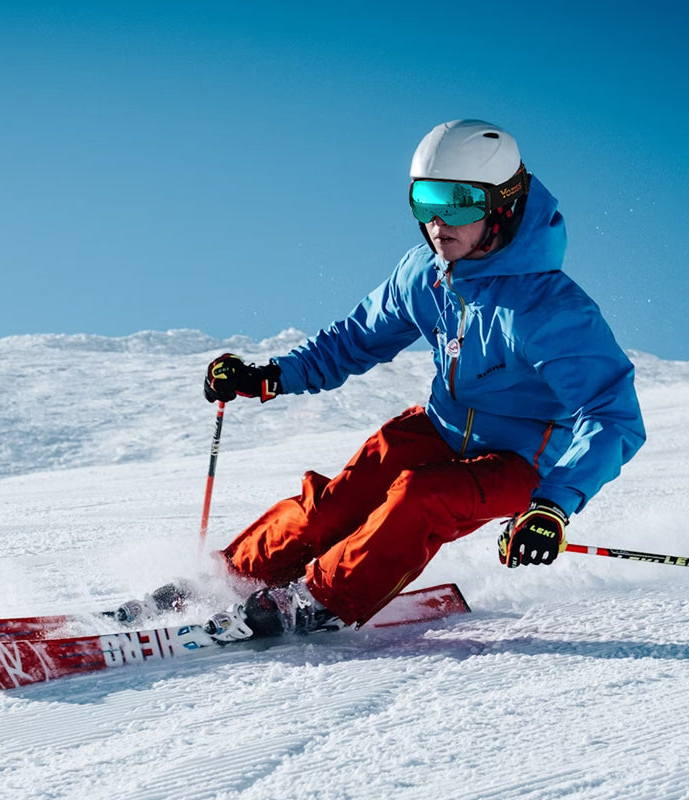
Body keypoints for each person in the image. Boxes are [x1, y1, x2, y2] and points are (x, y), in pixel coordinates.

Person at [201, 119, 646, 640]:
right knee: (337, 504)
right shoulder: (424, 272)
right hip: (439, 427)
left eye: (457, 204)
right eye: (425, 202)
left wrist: (553, 505)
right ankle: (228, 579)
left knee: (422, 496)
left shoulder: (549, 310)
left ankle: (316, 601)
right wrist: (269, 375)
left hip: (521, 461)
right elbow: (353, 340)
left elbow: (611, 416)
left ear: (501, 206)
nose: (438, 223)